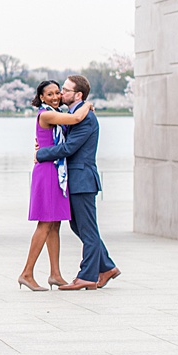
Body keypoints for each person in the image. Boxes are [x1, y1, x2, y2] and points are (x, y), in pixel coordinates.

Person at [35, 74, 120, 290]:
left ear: (78, 95)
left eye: (65, 90)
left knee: (87, 229)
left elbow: (68, 148)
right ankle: (107, 267)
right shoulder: (74, 113)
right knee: (79, 226)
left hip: (82, 179)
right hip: (75, 179)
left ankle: (88, 276)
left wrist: (42, 154)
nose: (61, 94)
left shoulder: (85, 118)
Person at [18, 80, 94, 291]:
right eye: (49, 94)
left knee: (55, 224)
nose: (54, 96)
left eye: (57, 93)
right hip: (48, 171)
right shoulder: (46, 114)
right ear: (41, 97)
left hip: (56, 170)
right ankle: (27, 273)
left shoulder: (54, 114)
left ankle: (55, 274)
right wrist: (87, 105)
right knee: (45, 223)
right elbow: (77, 118)